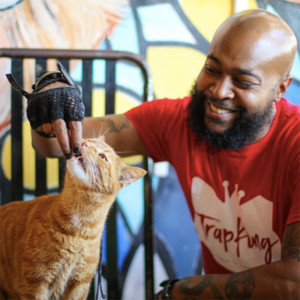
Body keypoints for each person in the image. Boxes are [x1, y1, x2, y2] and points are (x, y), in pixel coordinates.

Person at [26, 9, 299, 300]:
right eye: (212, 69)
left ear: (281, 88)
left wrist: (182, 291)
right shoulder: (177, 121)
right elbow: (54, 145)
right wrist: (50, 93)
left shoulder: (294, 145)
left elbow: (294, 283)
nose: (219, 91)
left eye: (243, 82)